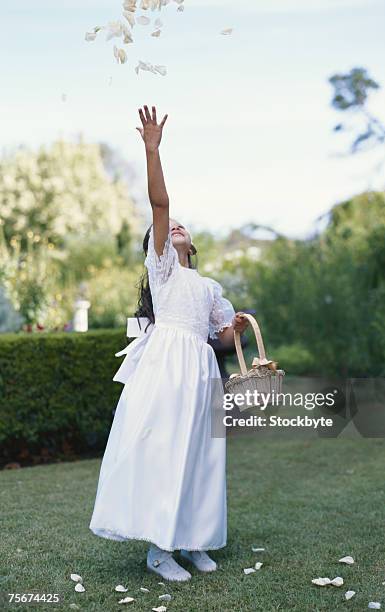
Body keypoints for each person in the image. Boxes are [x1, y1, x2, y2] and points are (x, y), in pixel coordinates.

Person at [89, 104, 249, 582]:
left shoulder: (209, 287)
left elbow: (218, 338)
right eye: (168, 228)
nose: (174, 225)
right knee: (169, 450)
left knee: (202, 452)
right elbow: (159, 204)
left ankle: (194, 540)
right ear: (158, 246)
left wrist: (235, 330)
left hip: (201, 373)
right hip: (167, 369)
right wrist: (152, 150)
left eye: (182, 226)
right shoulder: (164, 272)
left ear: (193, 245)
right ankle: (160, 549)